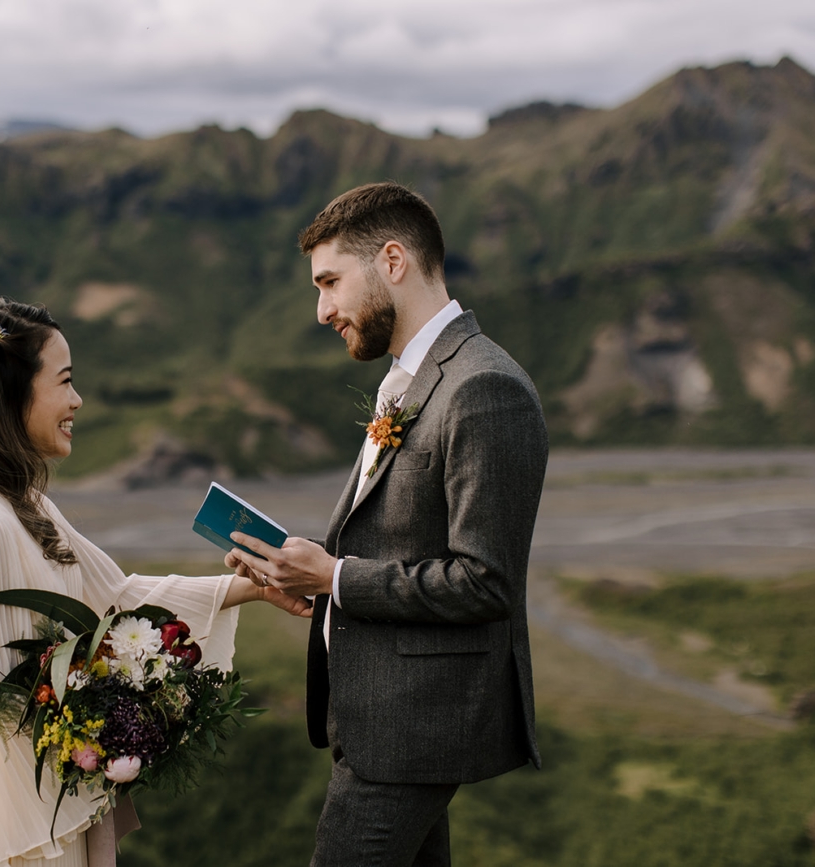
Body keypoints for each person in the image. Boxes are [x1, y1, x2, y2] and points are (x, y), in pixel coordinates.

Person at [0, 296, 308, 867]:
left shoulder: (20, 503)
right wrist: (102, 742)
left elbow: (114, 601)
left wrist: (257, 588)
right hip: (16, 844)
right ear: (4, 394)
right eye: (64, 381)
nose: (77, 400)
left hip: (50, 820)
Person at [226, 182, 548, 866]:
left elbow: (486, 581)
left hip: (414, 730)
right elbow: (395, 538)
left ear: (393, 262)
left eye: (330, 282)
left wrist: (336, 578)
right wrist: (301, 572)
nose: (322, 310)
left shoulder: (484, 388)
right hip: (380, 722)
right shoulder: (414, 376)